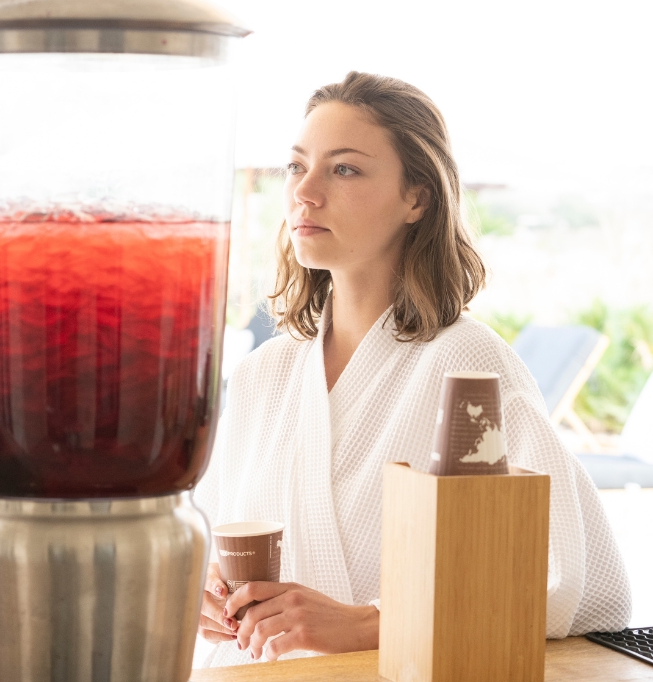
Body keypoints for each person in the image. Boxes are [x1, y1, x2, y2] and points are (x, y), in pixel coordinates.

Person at [193, 71, 632, 666]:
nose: (305, 191)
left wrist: (370, 622)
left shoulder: (467, 366)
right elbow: (207, 535)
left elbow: (575, 583)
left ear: (417, 198)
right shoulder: (262, 375)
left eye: (344, 169)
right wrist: (206, 590)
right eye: (297, 167)